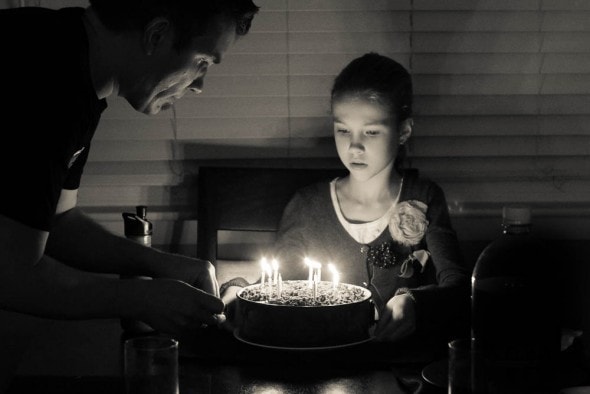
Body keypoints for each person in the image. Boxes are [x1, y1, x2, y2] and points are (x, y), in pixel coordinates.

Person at [0, 0, 258, 388]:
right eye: (203, 61)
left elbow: (58, 221)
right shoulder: (46, 75)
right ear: (156, 35)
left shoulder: (76, 64)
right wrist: (139, 297)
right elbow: (12, 272)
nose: (201, 85)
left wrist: (162, 265)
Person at [269, 53, 471, 347]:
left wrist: (415, 301)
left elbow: (458, 285)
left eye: (371, 132)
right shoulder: (307, 205)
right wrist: (238, 290)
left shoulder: (424, 197)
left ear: (403, 131)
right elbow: (278, 291)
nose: (355, 146)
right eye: (343, 130)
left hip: (405, 366)